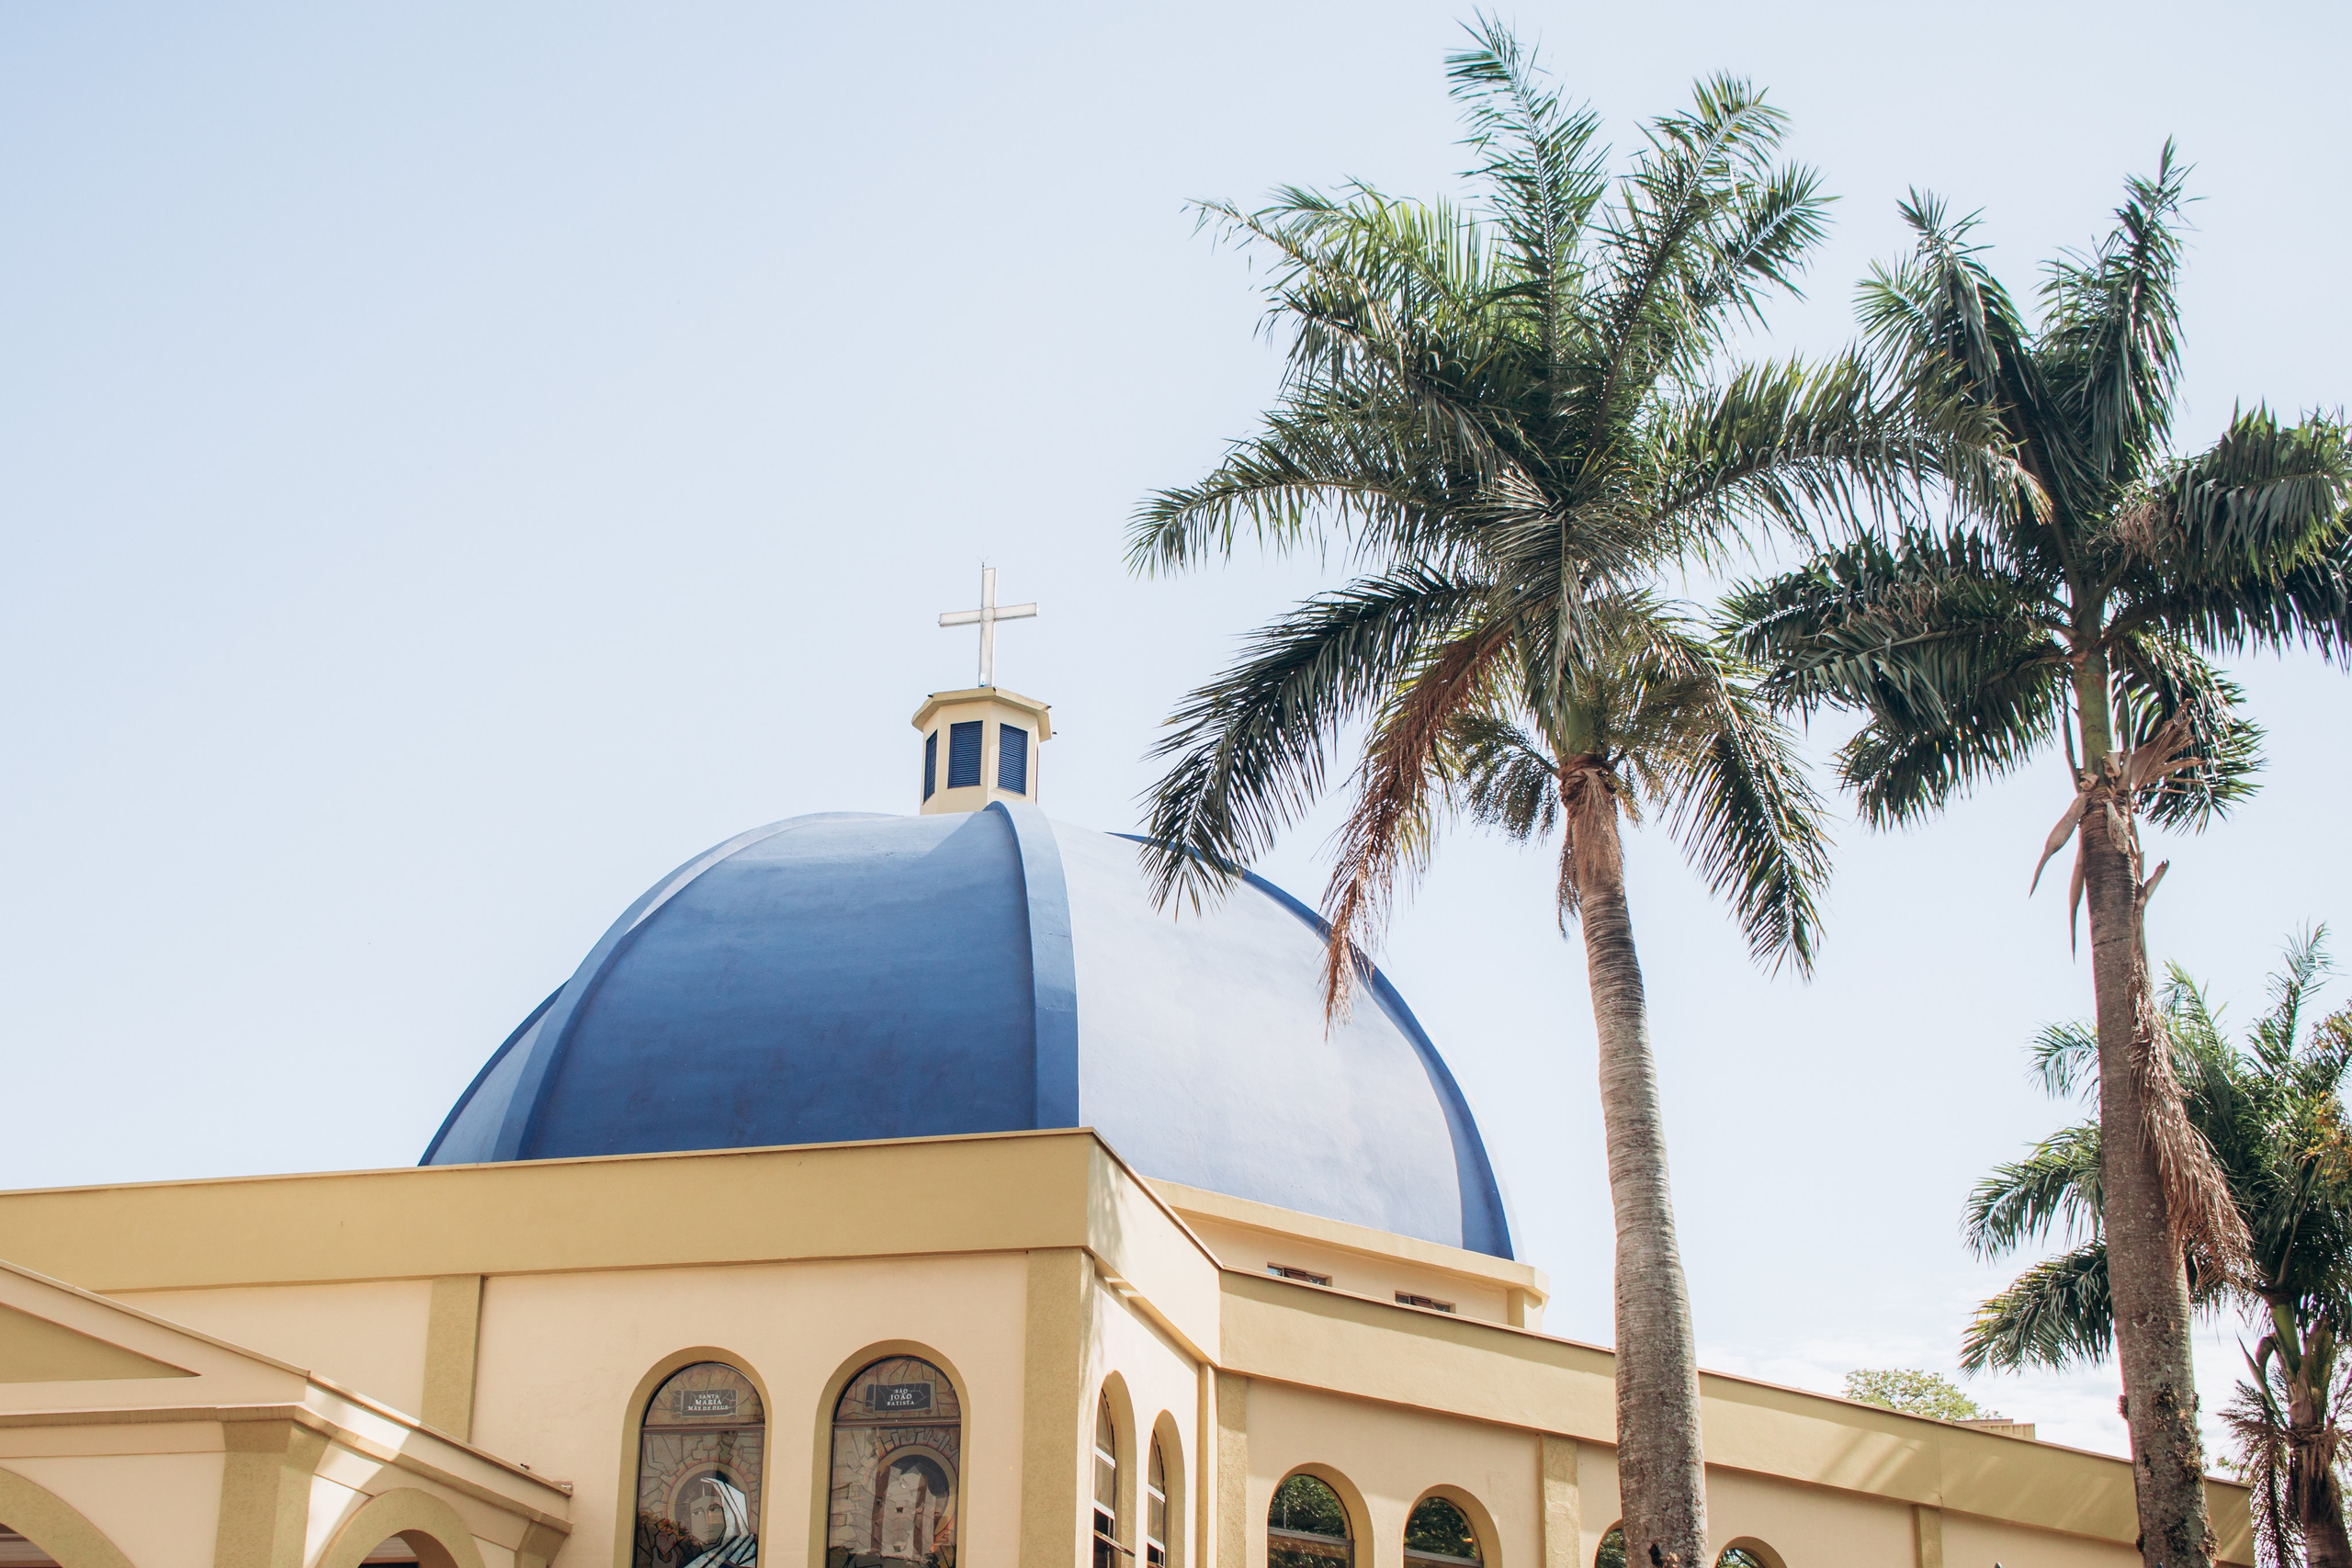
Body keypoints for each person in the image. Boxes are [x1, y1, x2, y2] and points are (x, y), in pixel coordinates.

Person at [679, 1473, 757, 1568]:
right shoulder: (685, 1558)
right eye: (697, 1513)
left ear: (730, 1513)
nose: (707, 1520)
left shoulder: (746, 1554)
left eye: (714, 1510)